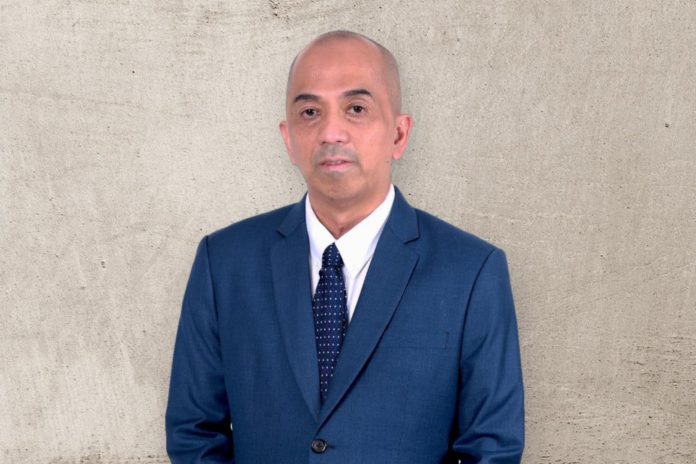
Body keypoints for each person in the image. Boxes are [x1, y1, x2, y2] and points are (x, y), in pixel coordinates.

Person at [165, 30, 524, 463]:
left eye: (356, 109)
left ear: (399, 134)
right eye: (310, 112)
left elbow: (492, 448)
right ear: (288, 139)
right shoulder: (223, 264)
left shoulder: (471, 272)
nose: (331, 131)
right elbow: (194, 433)